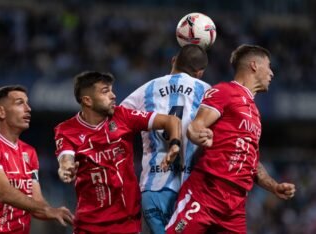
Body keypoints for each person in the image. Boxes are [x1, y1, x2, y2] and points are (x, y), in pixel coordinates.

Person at [165, 44, 296, 234]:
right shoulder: (224, 91)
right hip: (207, 193)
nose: (272, 73)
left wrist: (274, 186)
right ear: (254, 65)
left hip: (235, 207)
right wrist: (199, 135)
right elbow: (196, 125)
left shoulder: (254, 113)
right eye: (268, 66)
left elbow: (252, 162)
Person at [54, 71, 181, 234]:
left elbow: (171, 120)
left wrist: (175, 144)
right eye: (105, 91)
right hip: (89, 225)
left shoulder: (122, 116)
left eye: (112, 90)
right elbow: (65, 157)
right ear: (87, 100)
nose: (113, 96)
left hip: (127, 223)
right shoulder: (66, 129)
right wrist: (65, 168)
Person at [120, 44, 211, 234]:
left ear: (173, 61)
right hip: (191, 192)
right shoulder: (208, 92)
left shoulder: (146, 89)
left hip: (153, 187)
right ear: (200, 73)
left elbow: (117, 122)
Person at [0, 85, 74, 234]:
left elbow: (37, 204)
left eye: (27, 103)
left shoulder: (29, 152)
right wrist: (46, 209)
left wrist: (57, 212)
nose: (28, 108)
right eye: (20, 103)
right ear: (1, 111)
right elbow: (4, 192)